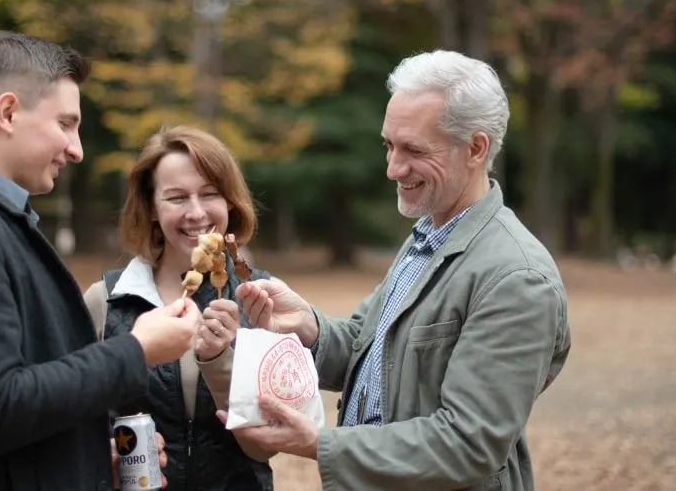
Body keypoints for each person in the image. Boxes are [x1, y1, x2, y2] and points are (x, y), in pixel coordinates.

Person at [224, 50, 571, 491]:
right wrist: (305, 327)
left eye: (414, 150)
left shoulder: (517, 279)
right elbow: (370, 352)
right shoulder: (427, 237)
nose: (392, 168)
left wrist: (321, 444)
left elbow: (468, 445)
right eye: (389, 145)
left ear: (476, 148)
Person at [0, 31, 201, 491]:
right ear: (8, 113)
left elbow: (17, 400)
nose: (77, 149)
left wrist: (87, 460)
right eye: (66, 124)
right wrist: (135, 350)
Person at [82, 126, 275, 489]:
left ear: (229, 201)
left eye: (210, 193)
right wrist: (99, 450)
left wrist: (221, 361)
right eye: (176, 198)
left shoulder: (259, 297)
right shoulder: (104, 302)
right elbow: (67, 418)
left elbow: (265, 447)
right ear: (151, 207)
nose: (197, 212)